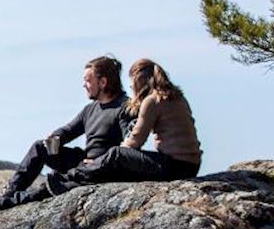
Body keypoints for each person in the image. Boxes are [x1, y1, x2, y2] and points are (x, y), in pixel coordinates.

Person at [0, 55, 130, 216]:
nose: (84, 85)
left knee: (51, 185)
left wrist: (100, 162)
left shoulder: (124, 107)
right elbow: (68, 131)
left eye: (88, 81)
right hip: (84, 161)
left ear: (103, 82)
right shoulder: (90, 109)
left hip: (103, 169)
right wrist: (54, 138)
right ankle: (8, 194)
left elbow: (129, 146)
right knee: (40, 147)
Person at [60, 59, 201, 187]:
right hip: (191, 165)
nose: (131, 87)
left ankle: (72, 176)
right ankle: (72, 182)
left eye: (132, 82)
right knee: (120, 168)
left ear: (139, 81)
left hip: (174, 166)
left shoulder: (152, 101)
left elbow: (135, 141)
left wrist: (101, 162)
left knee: (116, 154)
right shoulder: (178, 97)